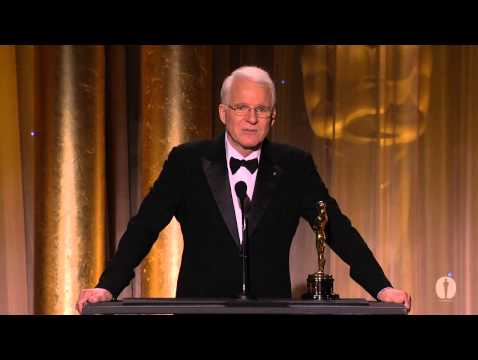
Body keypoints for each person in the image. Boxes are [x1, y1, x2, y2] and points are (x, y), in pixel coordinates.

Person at [76, 66, 411, 314]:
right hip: (200, 310)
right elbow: (144, 226)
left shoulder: (294, 165)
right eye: (241, 107)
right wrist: (108, 286)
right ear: (224, 113)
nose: (251, 118)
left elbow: (335, 227)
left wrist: (381, 287)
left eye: (261, 109)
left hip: (270, 309)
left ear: (273, 116)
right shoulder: (187, 161)